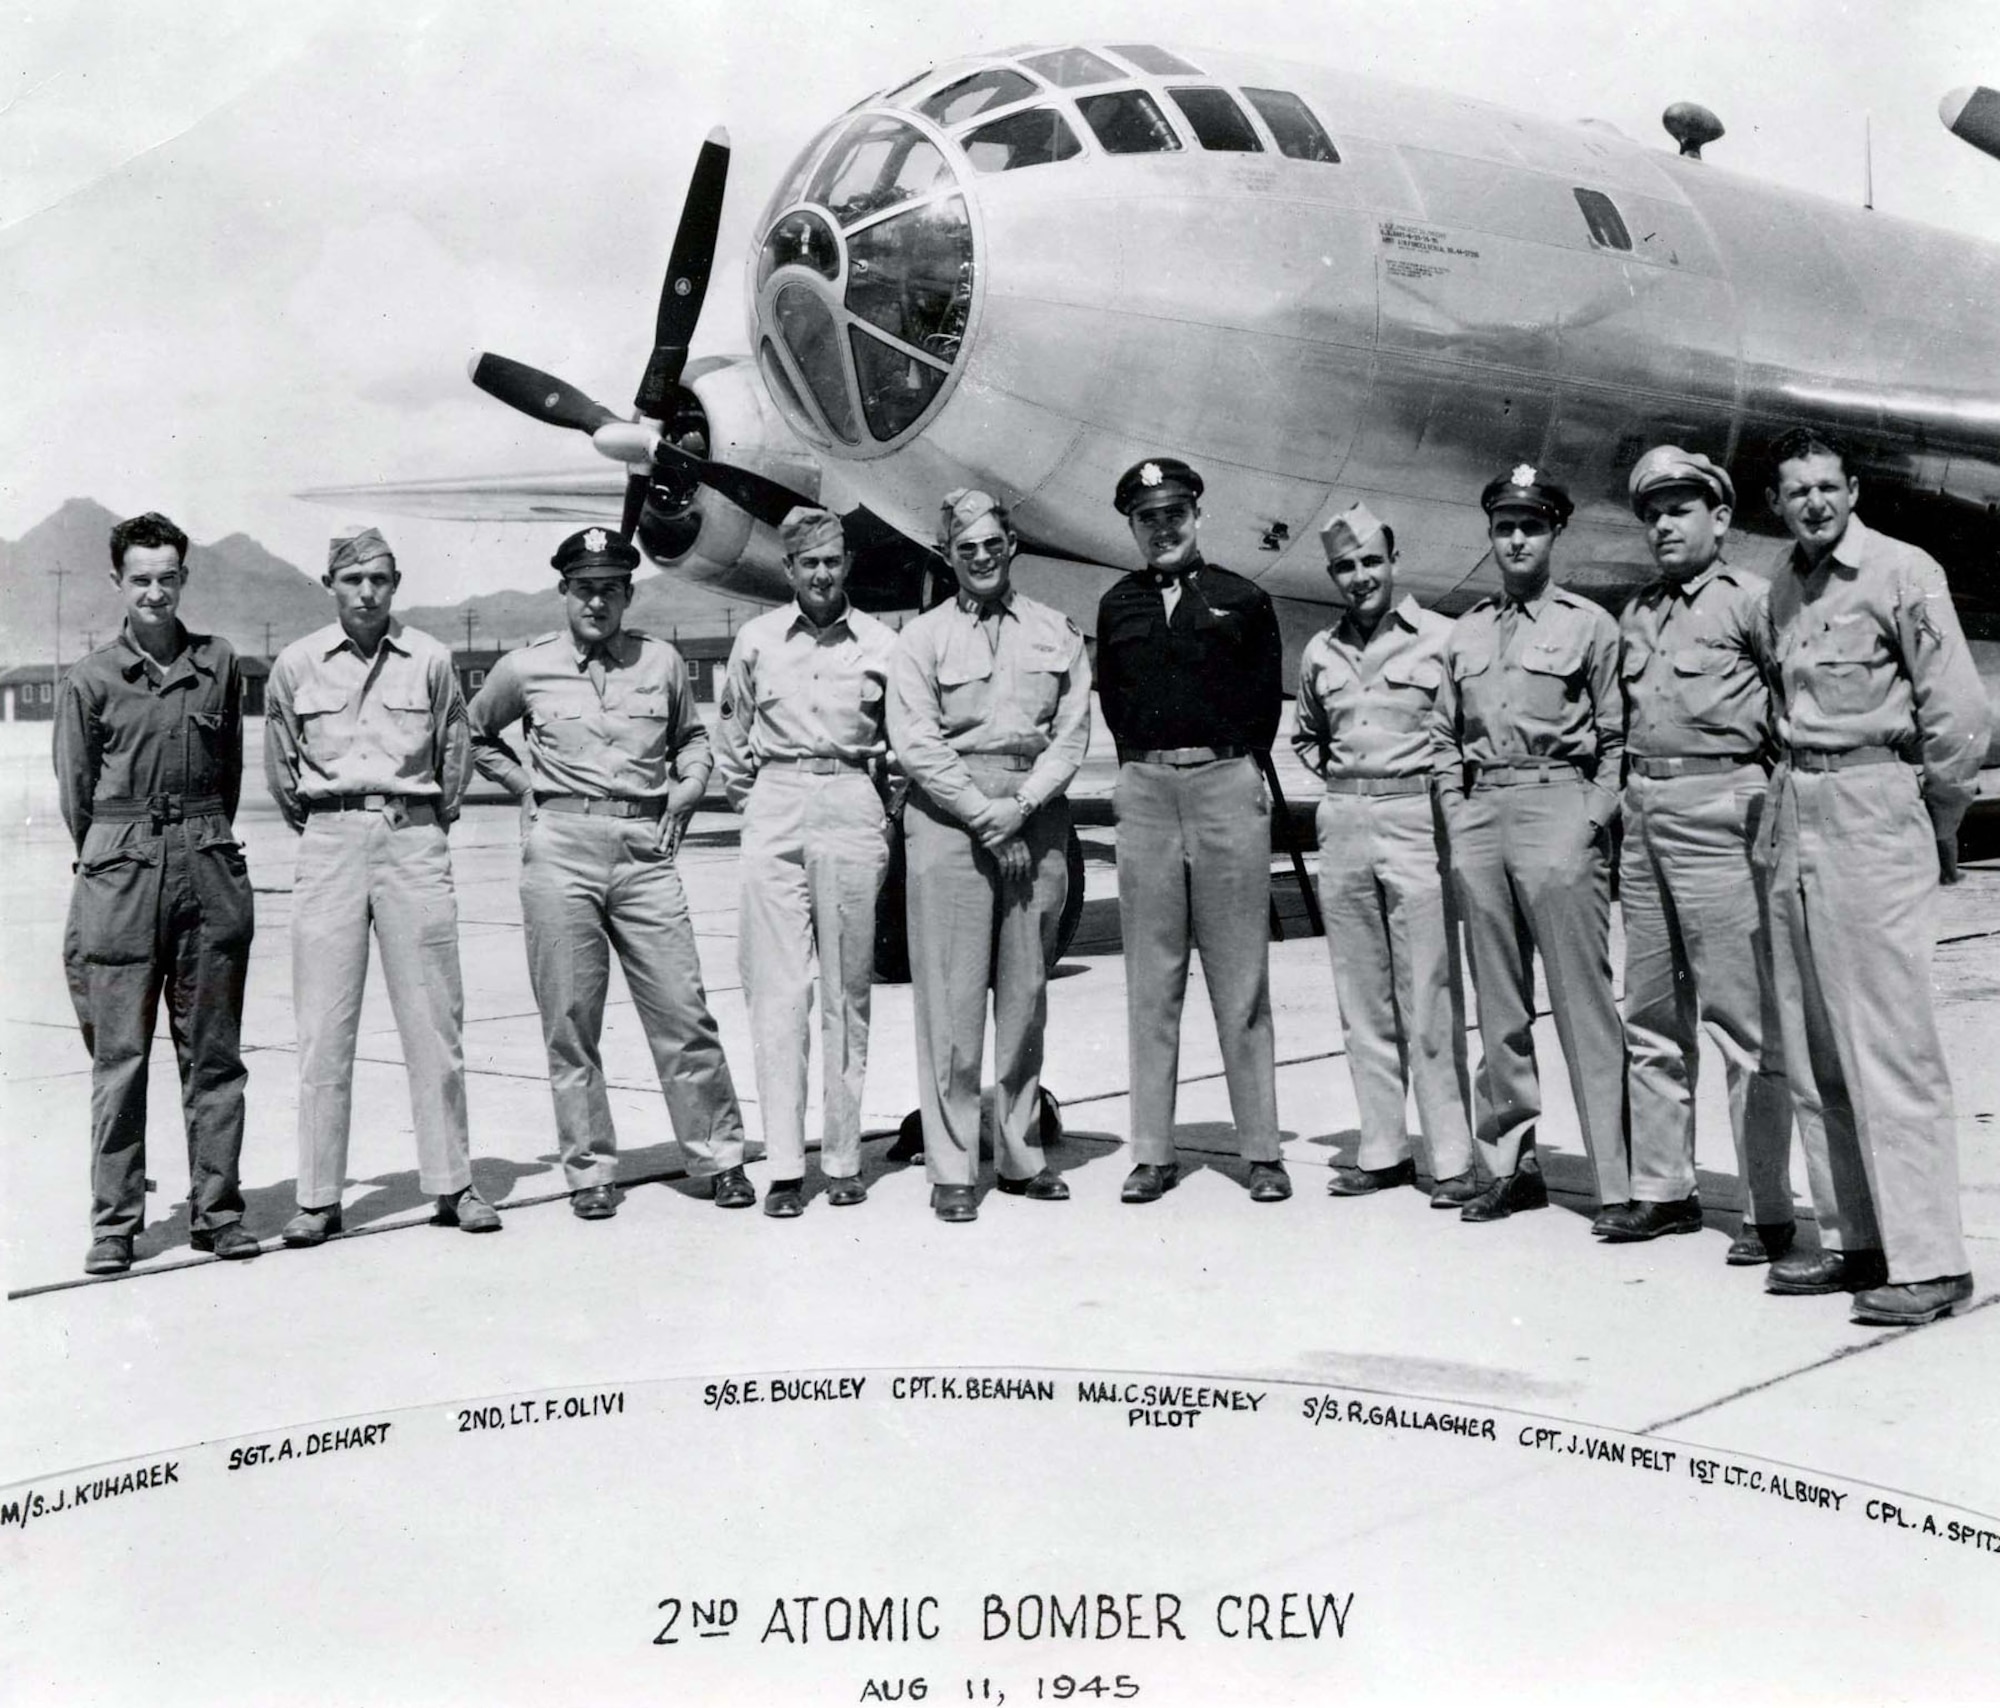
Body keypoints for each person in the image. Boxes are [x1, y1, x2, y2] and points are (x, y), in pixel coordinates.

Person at [1759, 428, 1988, 1324]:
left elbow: (1959, 710)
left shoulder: (1903, 571)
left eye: (1826, 486)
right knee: (1815, 1048)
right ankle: (1859, 1240)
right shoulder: (1782, 582)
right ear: (1776, 503)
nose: (1813, 502)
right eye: (1795, 490)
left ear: (1853, 490)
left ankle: (1932, 1262)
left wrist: (1937, 814)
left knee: (1890, 1046)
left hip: (1872, 805)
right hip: (1798, 809)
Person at [466, 526, 752, 1220]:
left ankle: (719, 1157)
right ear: (564, 592)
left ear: (628, 594)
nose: (597, 602)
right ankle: (590, 1168)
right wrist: (524, 787)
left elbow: (691, 739)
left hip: (643, 848)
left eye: (610, 590)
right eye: (584, 589)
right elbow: (472, 732)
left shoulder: (660, 664)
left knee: (683, 1010)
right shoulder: (525, 667)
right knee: (570, 1019)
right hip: (561, 847)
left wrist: (689, 785)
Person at [263, 525, 499, 1247]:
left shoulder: (429, 658)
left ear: (395, 585)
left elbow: (454, 755)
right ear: (330, 584)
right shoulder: (296, 665)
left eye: (380, 581)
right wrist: (334, 825)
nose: (367, 593)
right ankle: (318, 1197)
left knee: (434, 1020)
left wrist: (422, 823)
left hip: (412, 838)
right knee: (323, 1027)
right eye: (353, 580)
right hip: (330, 842)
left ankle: (453, 1183)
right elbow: (282, 767)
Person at [56, 511, 258, 1274]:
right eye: (140, 578)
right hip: (120, 872)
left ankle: (220, 1212)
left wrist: (193, 841)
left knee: (214, 1054)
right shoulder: (91, 679)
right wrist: (122, 854)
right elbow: (77, 793)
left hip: (206, 864)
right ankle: (115, 1224)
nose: (154, 590)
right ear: (119, 582)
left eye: (167, 576)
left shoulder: (220, 663)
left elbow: (229, 774)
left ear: (184, 578)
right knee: (121, 1057)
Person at [1430, 465, 1629, 1225]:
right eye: (1505, 527)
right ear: (1491, 535)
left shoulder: (1589, 624)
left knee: (1585, 1004)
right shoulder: (1467, 631)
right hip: (1483, 814)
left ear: (1554, 534)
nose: (1516, 539)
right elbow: (1446, 736)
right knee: (1499, 1006)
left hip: (1558, 807)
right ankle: (1512, 1166)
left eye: (1531, 527)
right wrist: (1456, 814)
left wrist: (1591, 818)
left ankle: (1620, 1180)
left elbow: (1615, 735)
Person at [887, 489, 1090, 1223]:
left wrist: (1021, 809)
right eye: (965, 547)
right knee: (951, 998)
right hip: (949, 822)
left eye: (992, 545)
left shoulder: (1055, 631)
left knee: (1027, 993)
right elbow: (916, 740)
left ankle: (1019, 1151)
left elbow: (1071, 732)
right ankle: (951, 1165)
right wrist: (984, 816)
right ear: (948, 555)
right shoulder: (921, 640)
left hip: (1033, 815)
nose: (980, 558)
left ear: (1012, 549)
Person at [1609, 450, 1793, 1259]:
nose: (1664, 525)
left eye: (1681, 509)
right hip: (1646, 812)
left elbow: (1793, 714)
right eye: (1653, 512)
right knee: (1648, 1013)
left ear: (1720, 520)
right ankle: (1663, 1189)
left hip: (1725, 811)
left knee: (1739, 1018)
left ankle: (1766, 1209)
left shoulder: (1754, 603)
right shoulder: (1637, 613)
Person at [1096, 458, 1288, 1205]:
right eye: (1148, 518)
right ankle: (1152, 1151)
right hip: (1146, 789)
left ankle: (1262, 1150)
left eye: (1175, 513)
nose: (1163, 528)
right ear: (1134, 527)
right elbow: (1114, 704)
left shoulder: (1243, 598)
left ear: (1197, 516)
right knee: (1152, 980)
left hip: (1225, 783)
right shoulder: (1118, 606)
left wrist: (1223, 770)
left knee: (1241, 977)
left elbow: (1263, 704)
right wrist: (1150, 771)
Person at [713, 508, 898, 1218]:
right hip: (777, 801)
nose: (821, 575)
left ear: (846, 565)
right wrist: (761, 802)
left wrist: (871, 806)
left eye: (832, 561)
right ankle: (786, 1167)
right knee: (778, 991)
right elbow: (731, 736)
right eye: (808, 564)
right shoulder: (757, 641)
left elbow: (900, 743)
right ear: (788, 571)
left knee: (847, 992)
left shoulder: (882, 643)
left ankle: (845, 1158)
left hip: (851, 804)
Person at [1293, 502, 1478, 1207]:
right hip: (1343, 819)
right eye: (1345, 566)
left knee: (1427, 990)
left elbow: (1463, 728)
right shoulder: (1320, 651)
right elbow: (1310, 735)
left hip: (1414, 816)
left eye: (1371, 561)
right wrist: (1351, 786)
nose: (1360, 576)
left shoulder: (1441, 639)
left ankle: (1453, 1155)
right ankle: (1382, 1147)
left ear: (1394, 562)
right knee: (1361, 994)